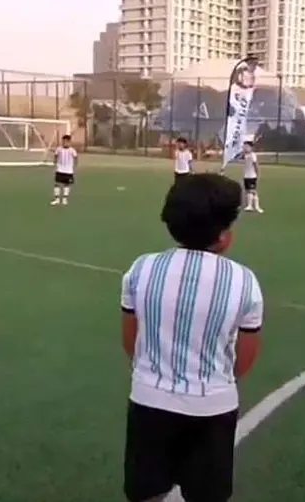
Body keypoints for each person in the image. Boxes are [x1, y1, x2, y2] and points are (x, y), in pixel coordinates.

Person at [120, 173, 264, 502]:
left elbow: (131, 339)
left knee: (146, 492)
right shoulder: (244, 281)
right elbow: (246, 356)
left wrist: (154, 373)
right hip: (213, 405)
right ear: (225, 236)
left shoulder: (141, 269)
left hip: (149, 400)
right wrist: (213, 380)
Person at [51, 135, 78, 206]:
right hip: (60, 169)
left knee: (67, 184)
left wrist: (74, 166)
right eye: (63, 141)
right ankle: (57, 199)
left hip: (68, 171)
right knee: (57, 184)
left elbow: (75, 158)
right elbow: (56, 156)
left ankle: (64, 199)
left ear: (69, 142)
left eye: (66, 141)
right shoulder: (59, 149)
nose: (64, 143)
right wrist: (55, 162)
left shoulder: (72, 150)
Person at [241, 140, 263, 213]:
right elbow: (241, 156)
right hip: (246, 176)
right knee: (248, 191)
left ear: (250, 147)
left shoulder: (253, 155)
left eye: (246, 146)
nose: (244, 148)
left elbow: (256, 165)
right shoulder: (245, 155)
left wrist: (258, 174)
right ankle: (249, 206)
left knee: (253, 191)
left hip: (252, 176)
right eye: (244, 146)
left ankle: (257, 207)